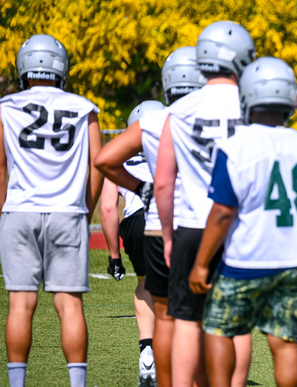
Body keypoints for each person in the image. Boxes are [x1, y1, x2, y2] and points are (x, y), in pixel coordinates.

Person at [188, 56, 297, 387]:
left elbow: (223, 212)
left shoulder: (235, 146)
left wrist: (200, 264)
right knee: (285, 341)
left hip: (248, 259)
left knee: (220, 329)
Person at [95, 46, 205, 387]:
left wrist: (114, 254)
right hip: (201, 220)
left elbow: (109, 201)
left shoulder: (151, 125)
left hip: (149, 222)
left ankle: (150, 354)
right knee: (204, 309)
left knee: (155, 299)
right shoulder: (215, 116)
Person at [154, 21, 254, 387]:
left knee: (186, 320)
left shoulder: (179, 110)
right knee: (237, 322)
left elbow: (164, 181)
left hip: (193, 225)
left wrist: (168, 235)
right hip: (239, 229)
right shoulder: (252, 105)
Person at [0, 34, 103, 386]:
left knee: (20, 304)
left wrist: (5, 212)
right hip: (67, 212)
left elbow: (0, 168)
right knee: (70, 304)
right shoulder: (85, 108)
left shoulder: (6, 107)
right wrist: (84, 212)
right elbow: (98, 165)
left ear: (24, 66)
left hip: (19, 211)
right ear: (62, 67)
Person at [100, 100, 164, 386]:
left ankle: (147, 351)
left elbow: (109, 208)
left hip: (137, 221)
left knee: (144, 283)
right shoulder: (180, 139)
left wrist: (114, 255)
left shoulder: (121, 155)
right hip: (173, 218)